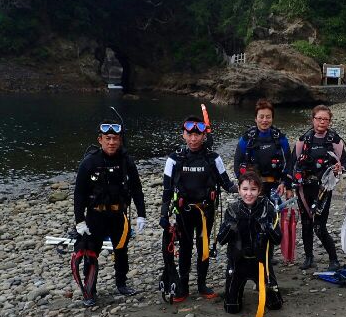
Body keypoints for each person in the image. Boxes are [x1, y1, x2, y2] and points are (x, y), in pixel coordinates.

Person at [160, 116, 236, 302]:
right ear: (183, 135)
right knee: (185, 248)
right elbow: (167, 190)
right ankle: (183, 287)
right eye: (190, 135)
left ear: (204, 136)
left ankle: (202, 285)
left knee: (203, 247)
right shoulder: (174, 159)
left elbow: (227, 184)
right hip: (183, 212)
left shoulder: (213, 158)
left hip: (205, 212)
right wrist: (163, 215)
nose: (193, 139)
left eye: (197, 135)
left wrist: (248, 188)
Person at [72, 120, 147, 306]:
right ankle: (90, 290)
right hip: (95, 216)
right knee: (91, 252)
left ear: (120, 140)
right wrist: (79, 221)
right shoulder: (89, 163)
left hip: (118, 215)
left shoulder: (127, 161)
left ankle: (121, 283)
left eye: (115, 139)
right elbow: (79, 194)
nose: (111, 142)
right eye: (108, 138)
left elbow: (137, 189)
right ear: (100, 140)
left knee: (121, 250)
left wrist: (141, 214)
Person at [291, 105, 346, 271]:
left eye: (325, 119)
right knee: (306, 223)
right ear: (313, 119)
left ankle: (333, 259)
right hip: (304, 188)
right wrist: (288, 183)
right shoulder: (303, 140)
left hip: (323, 189)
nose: (322, 122)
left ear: (329, 121)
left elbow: (345, 164)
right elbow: (292, 164)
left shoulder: (335, 141)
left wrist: (339, 168)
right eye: (319, 119)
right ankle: (309, 257)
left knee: (319, 226)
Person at [217, 171, 283, 314]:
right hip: (238, 263)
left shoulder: (268, 208)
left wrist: (267, 228)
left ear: (259, 190)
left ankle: (264, 288)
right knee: (231, 308)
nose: (249, 194)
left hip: (261, 263)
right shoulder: (233, 209)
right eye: (245, 189)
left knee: (275, 305)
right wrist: (230, 227)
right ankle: (235, 292)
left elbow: (278, 239)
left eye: (253, 189)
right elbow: (221, 239)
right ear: (239, 189)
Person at [233, 98, 292, 198]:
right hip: (252, 186)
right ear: (256, 119)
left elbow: (288, 163)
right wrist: (244, 185)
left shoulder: (280, 139)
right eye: (261, 117)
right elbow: (237, 163)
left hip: (275, 185)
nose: (264, 120)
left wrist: (286, 185)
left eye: (268, 117)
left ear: (272, 119)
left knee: (274, 208)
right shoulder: (246, 139)